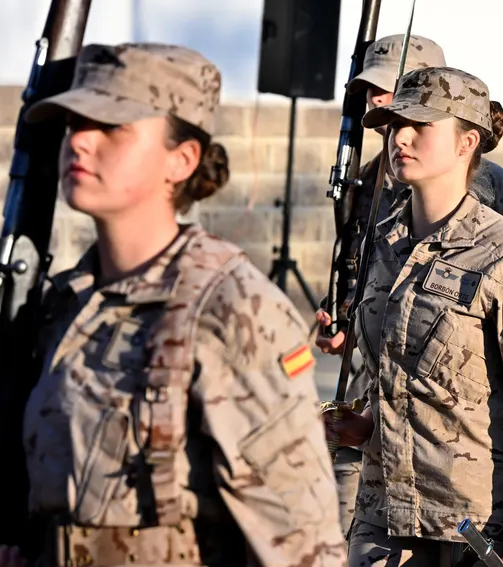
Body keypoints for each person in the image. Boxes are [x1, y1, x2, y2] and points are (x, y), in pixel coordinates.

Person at [0, 43, 346, 567]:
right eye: (76, 123)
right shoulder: (61, 306)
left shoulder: (234, 310)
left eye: (112, 127)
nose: (81, 142)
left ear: (181, 160)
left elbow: (303, 544)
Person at [314, 66, 503, 567]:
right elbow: (392, 368)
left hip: (474, 528)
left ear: (466, 143)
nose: (401, 138)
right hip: (384, 515)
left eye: (421, 125)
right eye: (393, 125)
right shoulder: (382, 241)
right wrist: (361, 421)